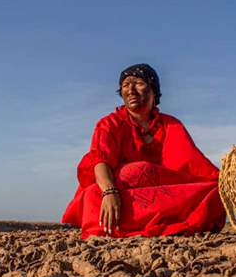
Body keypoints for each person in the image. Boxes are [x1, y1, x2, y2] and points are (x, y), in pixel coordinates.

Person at [62, 63, 226, 239]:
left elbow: (194, 164)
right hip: (118, 191)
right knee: (93, 196)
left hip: (163, 193)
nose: (131, 90)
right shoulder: (109, 124)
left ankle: (152, 222)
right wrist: (109, 192)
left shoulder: (171, 125)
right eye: (125, 85)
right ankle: (162, 221)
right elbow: (100, 161)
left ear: (154, 91)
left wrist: (226, 182)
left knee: (214, 192)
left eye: (138, 83)